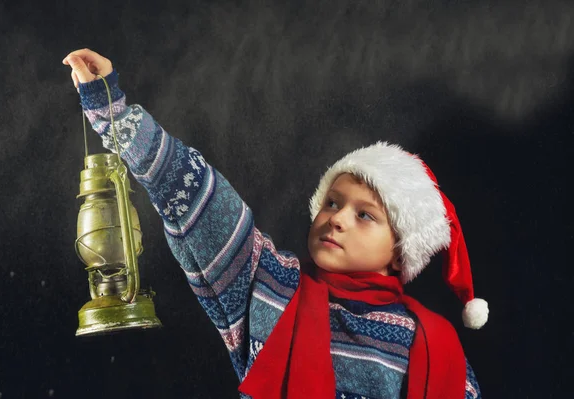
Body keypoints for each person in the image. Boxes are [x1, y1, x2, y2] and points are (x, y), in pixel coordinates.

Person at [63, 48, 488, 399]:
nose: (337, 218)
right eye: (332, 203)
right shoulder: (271, 290)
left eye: (364, 215)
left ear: (399, 253)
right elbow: (203, 202)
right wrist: (110, 109)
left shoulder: (437, 349)